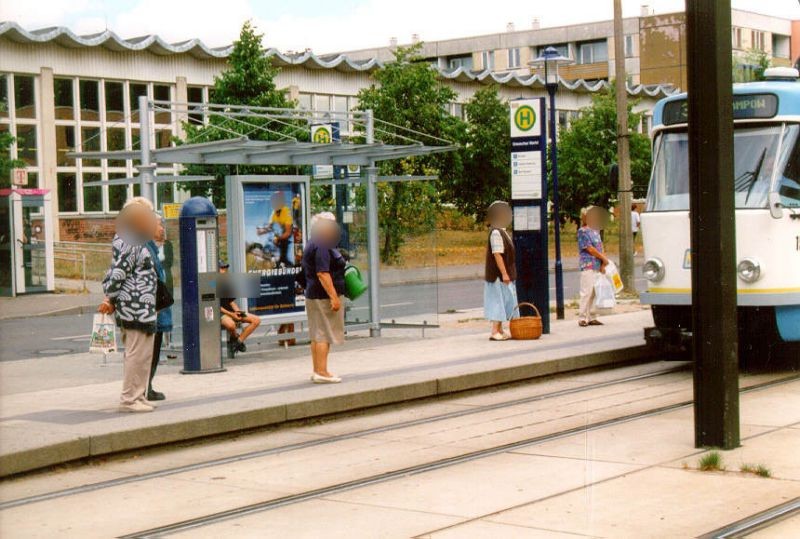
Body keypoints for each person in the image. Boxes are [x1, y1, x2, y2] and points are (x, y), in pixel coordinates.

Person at [98, 197, 159, 413]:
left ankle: (138, 395)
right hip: (134, 307)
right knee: (136, 353)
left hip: (143, 307)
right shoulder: (130, 241)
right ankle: (129, 399)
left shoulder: (136, 240)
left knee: (143, 354)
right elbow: (119, 273)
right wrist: (110, 298)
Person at [302, 212, 346, 383]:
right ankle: (322, 372)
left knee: (317, 334)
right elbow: (322, 273)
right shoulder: (321, 245)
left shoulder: (314, 242)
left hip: (314, 294)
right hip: (322, 296)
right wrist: (334, 297)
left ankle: (318, 370)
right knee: (324, 334)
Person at [145, 215, 172, 401]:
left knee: (152, 351)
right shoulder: (146, 248)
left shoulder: (152, 247)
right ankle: (145, 387)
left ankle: (147, 386)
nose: (162, 228)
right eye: (158, 224)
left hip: (158, 309)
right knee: (149, 352)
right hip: (152, 310)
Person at [483, 201, 517, 341]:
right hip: (497, 275)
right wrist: (504, 273)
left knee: (504, 300)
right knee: (498, 300)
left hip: (503, 274)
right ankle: (494, 330)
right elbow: (497, 254)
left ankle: (500, 329)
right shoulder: (496, 232)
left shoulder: (502, 231)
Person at [219, 261, 261, 355]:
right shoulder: (211, 284)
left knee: (256, 320)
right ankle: (235, 338)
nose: (225, 271)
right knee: (231, 325)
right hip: (221, 313)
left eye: (225, 269)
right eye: (222, 268)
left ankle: (238, 342)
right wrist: (232, 315)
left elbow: (232, 302)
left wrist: (237, 312)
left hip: (231, 312)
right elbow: (217, 307)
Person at [577, 206, 610, 327]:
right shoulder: (583, 231)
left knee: (594, 292)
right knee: (586, 291)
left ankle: (591, 316)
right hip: (588, 264)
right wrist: (603, 258)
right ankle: (582, 317)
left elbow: (600, 247)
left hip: (597, 265)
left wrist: (602, 263)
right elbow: (590, 249)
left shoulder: (596, 232)